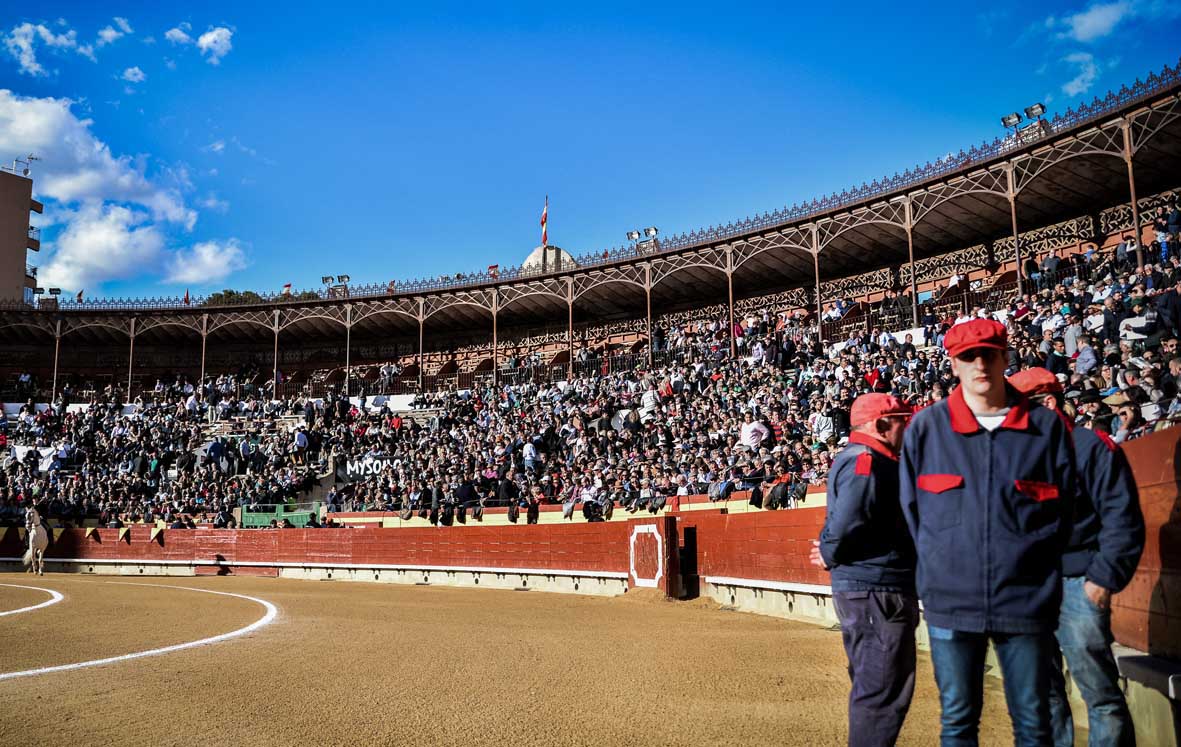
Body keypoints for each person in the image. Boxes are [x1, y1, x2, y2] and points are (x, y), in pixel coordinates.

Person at [899, 318, 1077, 746]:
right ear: (953, 365)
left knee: (1034, 725)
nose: (980, 363)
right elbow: (910, 512)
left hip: (1026, 601)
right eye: (968, 356)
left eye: (988, 354)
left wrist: (1040, 573)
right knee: (958, 723)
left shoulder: (1045, 427)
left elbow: (1066, 510)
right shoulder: (926, 428)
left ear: (1005, 357)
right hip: (950, 602)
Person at [1008, 368, 1145, 747]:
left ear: (1048, 404)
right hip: (1031, 589)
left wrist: (1101, 582)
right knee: (1041, 695)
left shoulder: (1091, 446)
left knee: (1099, 694)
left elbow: (1123, 519)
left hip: (1079, 582)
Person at [811, 393, 917, 747]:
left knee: (876, 683)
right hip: (876, 586)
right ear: (881, 424)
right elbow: (851, 516)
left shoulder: (867, 459)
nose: (908, 424)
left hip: (870, 586)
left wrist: (830, 549)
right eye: (902, 419)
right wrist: (829, 550)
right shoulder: (867, 460)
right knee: (881, 688)